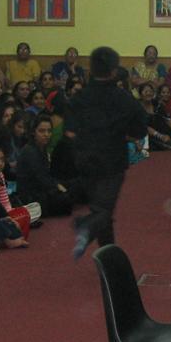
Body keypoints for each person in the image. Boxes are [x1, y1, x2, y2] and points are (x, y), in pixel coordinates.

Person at [67, 46, 147, 258]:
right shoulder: (124, 99)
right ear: (114, 71)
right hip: (112, 160)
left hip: (84, 159)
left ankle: (107, 254)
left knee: (101, 208)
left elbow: (69, 132)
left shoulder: (79, 97)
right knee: (103, 210)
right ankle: (85, 226)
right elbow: (139, 131)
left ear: (90, 70)